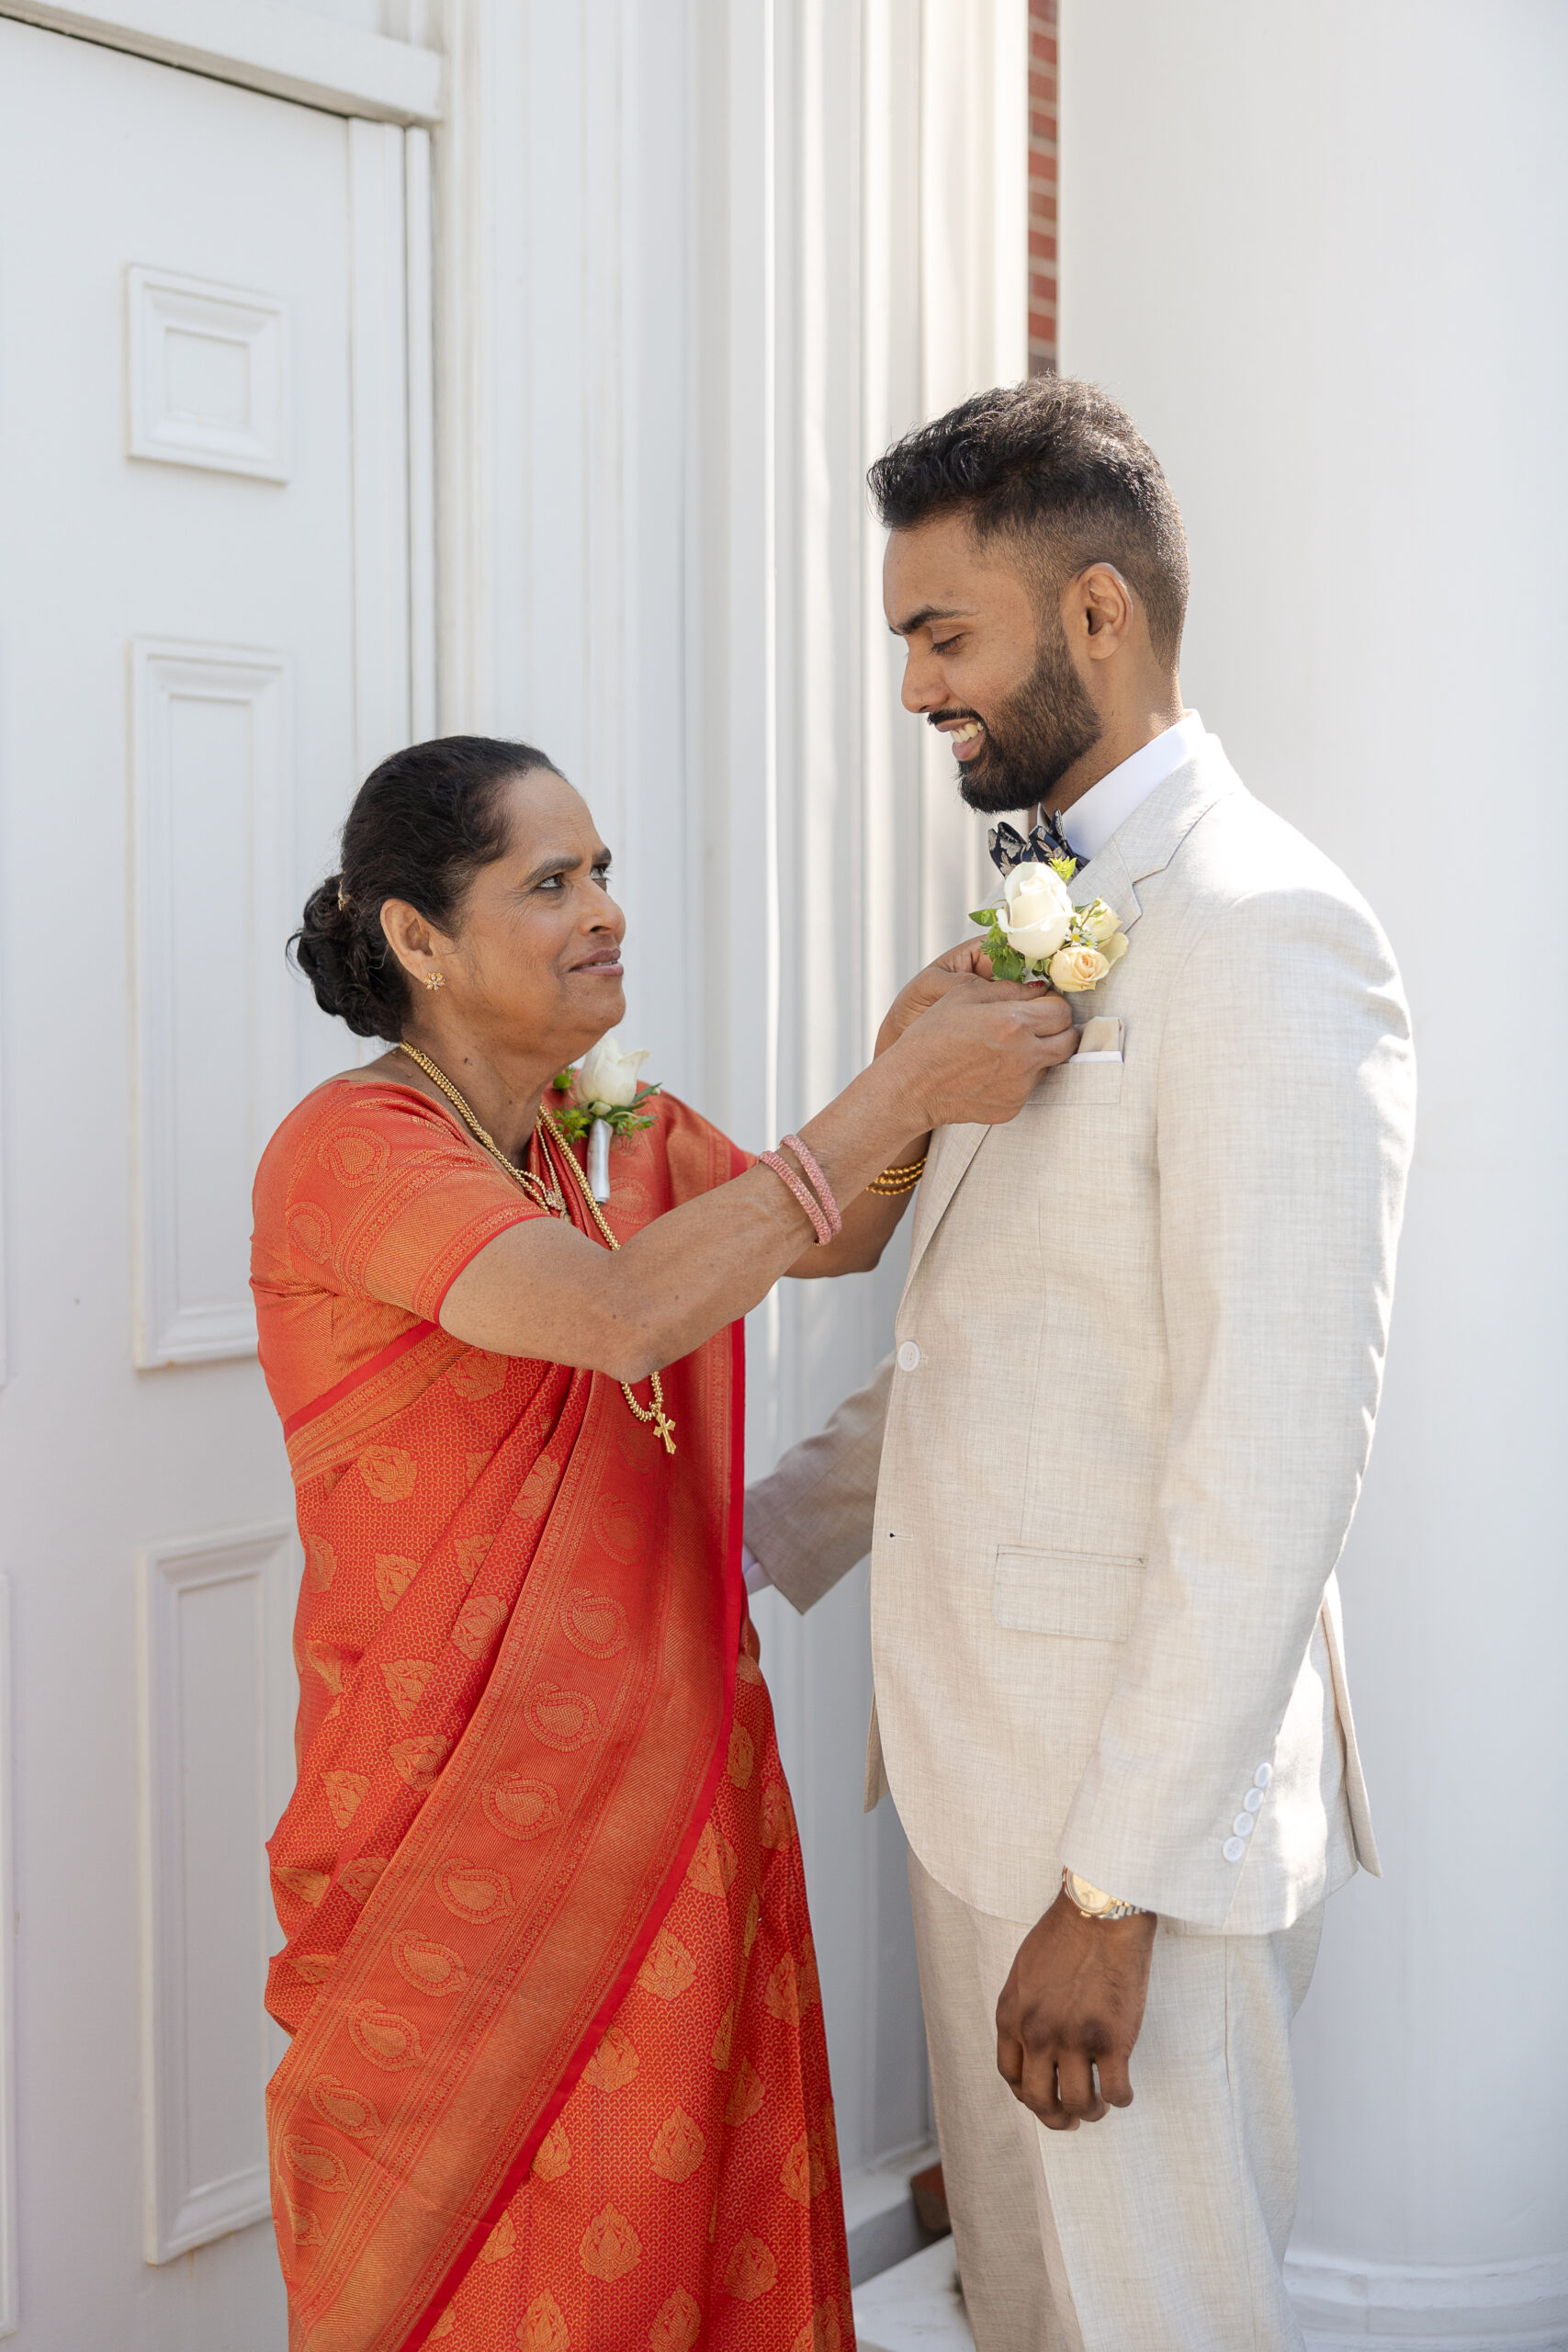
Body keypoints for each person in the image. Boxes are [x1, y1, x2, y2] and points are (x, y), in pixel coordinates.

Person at [249, 733, 1078, 2351]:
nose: (604, 911)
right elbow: (623, 1314)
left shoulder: (605, 1128)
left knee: (686, 2241)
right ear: (415, 937)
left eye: (606, 870)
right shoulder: (352, 1155)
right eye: (549, 883)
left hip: (676, 1792)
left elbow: (828, 1228)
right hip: (452, 1832)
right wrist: (888, 1096)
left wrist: (922, 1045)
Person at [743, 379, 1416, 2351]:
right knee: (1031, 2316)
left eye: (938, 635)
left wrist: (1110, 1893)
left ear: (1095, 616)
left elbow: (1270, 1445)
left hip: (1128, 1843)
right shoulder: (1038, 925)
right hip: (971, 1789)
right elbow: (986, 1338)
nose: (911, 689)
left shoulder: (1264, 929)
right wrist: (738, 1534)